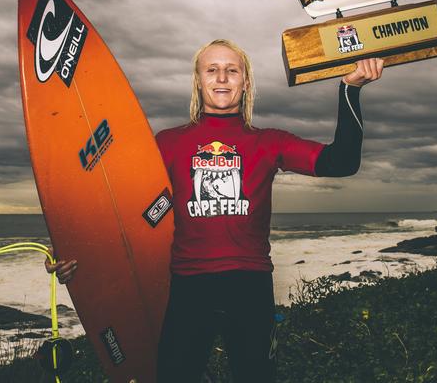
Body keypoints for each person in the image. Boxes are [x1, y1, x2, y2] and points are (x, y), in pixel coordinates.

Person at [47, 39, 383, 382]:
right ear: (198, 80)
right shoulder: (165, 143)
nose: (222, 78)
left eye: (232, 70)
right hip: (189, 288)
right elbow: (118, 210)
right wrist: (72, 251)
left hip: (249, 285)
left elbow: (342, 162)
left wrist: (350, 88)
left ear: (245, 82)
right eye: (212, 70)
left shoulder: (269, 141)